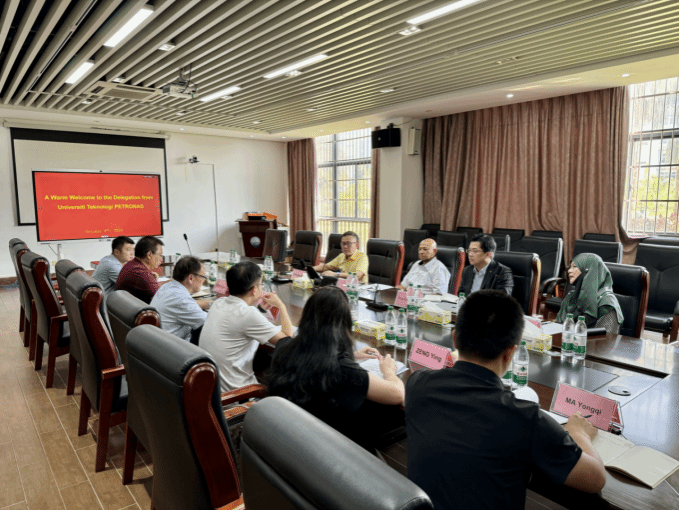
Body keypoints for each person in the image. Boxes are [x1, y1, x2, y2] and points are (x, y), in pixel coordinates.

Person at [405, 290, 607, 510]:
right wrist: (579, 432)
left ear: (454, 338)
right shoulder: (526, 419)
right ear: (510, 353)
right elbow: (595, 479)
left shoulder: (417, 384)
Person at [266, 286, 405, 452]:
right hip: (327, 451)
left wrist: (351, 356)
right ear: (344, 325)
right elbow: (398, 394)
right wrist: (389, 371)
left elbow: (312, 356)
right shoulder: (343, 370)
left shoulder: (283, 346)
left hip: (285, 442)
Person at [200, 261, 294, 392]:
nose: (262, 288)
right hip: (237, 394)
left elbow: (241, 322)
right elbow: (287, 340)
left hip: (210, 388)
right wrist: (281, 305)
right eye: (261, 284)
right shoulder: (248, 314)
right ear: (254, 290)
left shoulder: (219, 303)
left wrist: (260, 310)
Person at [556, 253, 623, 333]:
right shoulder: (570, 297)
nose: (569, 270)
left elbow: (606, 339)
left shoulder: (607, 304)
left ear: (588, 270)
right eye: (570, 267)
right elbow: (557, 328)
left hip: (588, 341)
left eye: (575, 267)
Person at [150, 256, 210, 344]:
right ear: (191, 278)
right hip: (173, 347)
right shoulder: (181, 299)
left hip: (158, 340)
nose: (204, 280)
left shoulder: (168, 286)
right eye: (203, 276)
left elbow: (190, 304)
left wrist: (211, 304)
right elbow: (208, 321)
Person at [114, 235, 164, 304]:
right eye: (160, 255)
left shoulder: (133, 264)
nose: (161, 259)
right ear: (149, 255)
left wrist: (169, 282)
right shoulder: (139, 271)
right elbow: (161, 295)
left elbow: (153, 285)